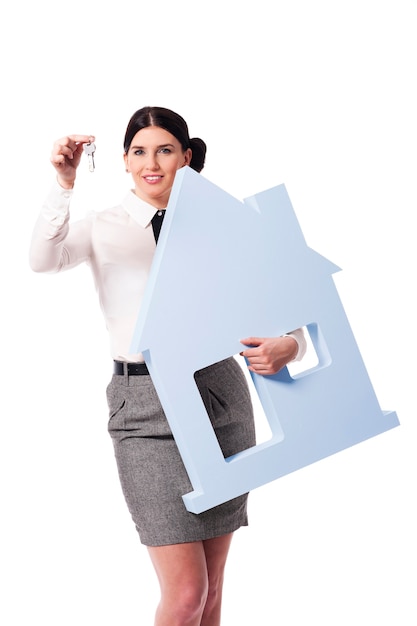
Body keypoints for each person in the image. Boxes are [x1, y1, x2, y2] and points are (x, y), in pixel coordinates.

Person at [29, 106, 306, 626]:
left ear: (187, 157)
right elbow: (42, 260)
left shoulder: (218, 228)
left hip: (220, 396)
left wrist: (290, 345)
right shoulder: (104, 226)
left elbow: (286, 311)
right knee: (185, 595)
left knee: (212, 592)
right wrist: (63, 184)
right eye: (138, 151)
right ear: (125, 161)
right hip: (145, 409)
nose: (150, 163)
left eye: (164, 150)